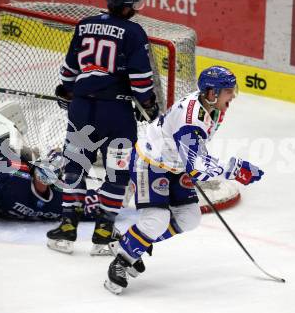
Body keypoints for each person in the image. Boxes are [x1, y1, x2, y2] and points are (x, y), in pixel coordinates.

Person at [103, 66, 265, 294]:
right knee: (157, 218)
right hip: (150, 163)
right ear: (212, 93)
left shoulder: (213, 108)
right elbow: (197, 167)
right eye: (229, 90)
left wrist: (197, 160)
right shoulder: (191, 119)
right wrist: (234, 169)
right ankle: (122, 260)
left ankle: (132, 241)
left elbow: (194, 155)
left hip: (174, 164)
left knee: (189, 217)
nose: (233, 95)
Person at [46, 0, 159, 255]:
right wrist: (149, 105)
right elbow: (141, 79)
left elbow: (68, 72)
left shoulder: (84, 25)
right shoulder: (133, 32)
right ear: (128, 4)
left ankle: (67, 226)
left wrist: (68, 91)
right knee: (117, 172)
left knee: (74, 166)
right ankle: (104, 231)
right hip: (116, 113)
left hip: (82, 109)